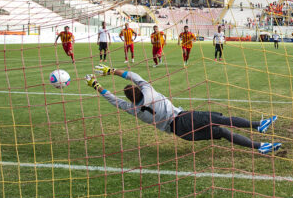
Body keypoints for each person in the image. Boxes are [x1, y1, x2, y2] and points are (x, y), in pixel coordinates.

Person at [85, 65, 282, 154]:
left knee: (221, 132)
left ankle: (259, 147)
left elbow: (113, 100)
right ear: (139, 89)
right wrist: (111, 71)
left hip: (180, 132)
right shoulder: (149, 90)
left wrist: (95, 86)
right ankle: (258, 126)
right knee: (221, 120)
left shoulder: (132, 109)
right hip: (184, 118)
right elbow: (133, 75)